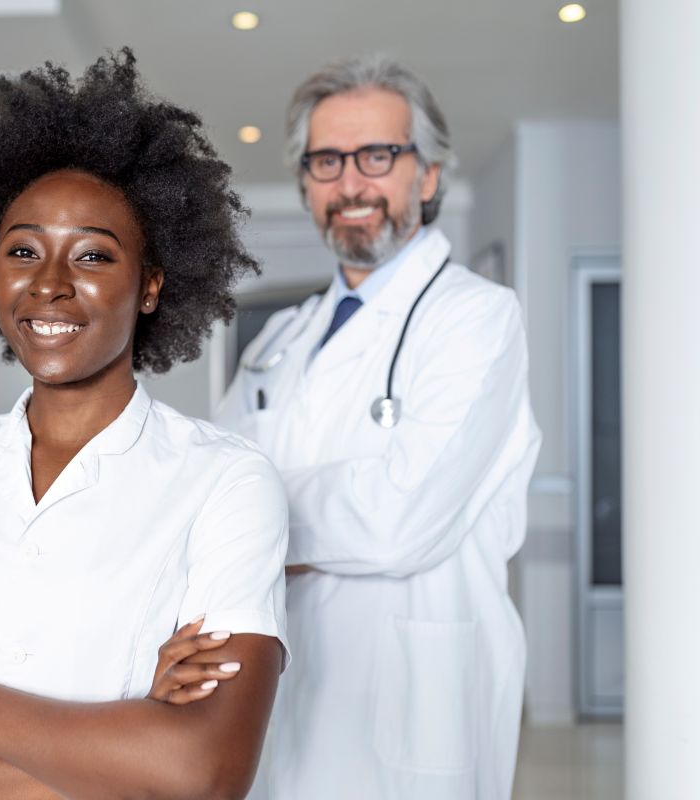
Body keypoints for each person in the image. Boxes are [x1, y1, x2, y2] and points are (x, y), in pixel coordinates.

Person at [0, 50, 289, 800]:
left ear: (152, 284)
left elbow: (205, 771)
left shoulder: (224, 481)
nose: (50, 284)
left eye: (93, 254)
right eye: (23, 250)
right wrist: (120, 757)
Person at [216, 54, 542, 800]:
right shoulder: (277, 342)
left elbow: (400, 518)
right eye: (325, 161)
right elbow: (208, 495)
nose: (351, 183)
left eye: (377, 156)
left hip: (416, 705)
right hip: (276, 697)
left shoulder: (477, 319)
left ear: (426, 176)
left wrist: (259, 525)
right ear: (304, 184)